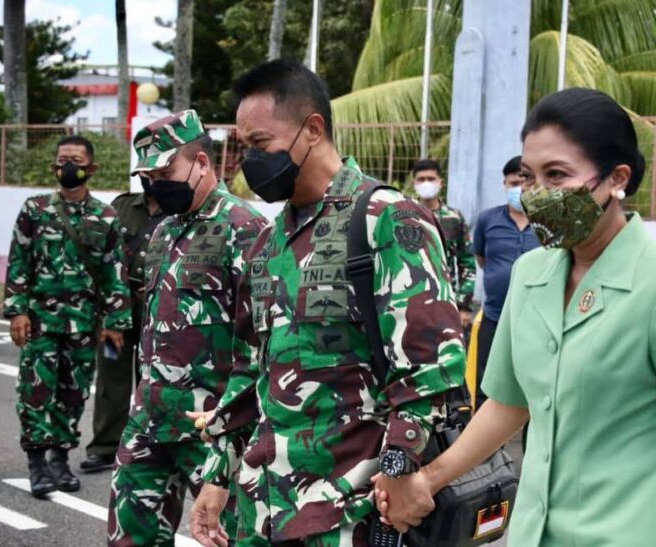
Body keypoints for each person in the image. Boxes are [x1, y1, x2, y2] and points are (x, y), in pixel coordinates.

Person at [374, 88, 656, 547]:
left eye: (557, 175)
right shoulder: (531, 274)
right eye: (529, 176)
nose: (537, 194)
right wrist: (429, 479)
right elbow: (509, 404)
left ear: (617, 178)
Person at [187, 59, 466, 546]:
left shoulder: (385, 220)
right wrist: (217, 474)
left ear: (312, 129)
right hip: (260, 509)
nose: (247, 162)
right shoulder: (268, 245)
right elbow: (249, 372)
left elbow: (429, 371)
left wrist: (400, 471)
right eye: (242, 146)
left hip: (348, 512)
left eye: (259, 145)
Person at [106, 110, 268, 546]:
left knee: (229, 537)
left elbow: (258, 347)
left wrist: (232, 432)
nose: (156, 184)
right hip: (150, 421)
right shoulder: (163, 233)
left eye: (165, 172)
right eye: (147, 176)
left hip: (211, 427)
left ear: (201, 162)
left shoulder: (247, 230)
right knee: (128, 538)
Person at [3, 135, 132, 498]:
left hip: (84, 324)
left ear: (90, 168)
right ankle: (37, 463)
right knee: (35, 390)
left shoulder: (105, 216)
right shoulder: (35, 209)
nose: (68, 166)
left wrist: (114, 322)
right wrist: (17, 310)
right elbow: (18, 261)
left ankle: (60, 457)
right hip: (41, 321)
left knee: (73, 393)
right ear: (54, 166)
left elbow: (114, 272)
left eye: (75, 160)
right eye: (62, 160)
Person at [81, 184, 168, 473]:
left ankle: (147, 448)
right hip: (115, 312)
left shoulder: (180, 207)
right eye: (144, 172)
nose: (150, 177)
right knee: (110, 376)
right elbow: (107, 254)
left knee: (152, 379)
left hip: (156, 311)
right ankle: (104, 447)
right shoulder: (123, 207)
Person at [471, 155, 539, 406]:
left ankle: (533, 445)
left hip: (536, 320)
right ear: (504, 184)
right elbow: (481, 259)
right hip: (495, 315)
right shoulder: (487, 220)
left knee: (535, 387)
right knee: (486, 383)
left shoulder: (547, 220)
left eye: (524, 182)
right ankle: (486, 446)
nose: (518, 190)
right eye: (513, 184)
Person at [411, 159, 476, 329]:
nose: (426, 183)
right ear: (414, 184)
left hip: (446, 302)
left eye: (431, 179)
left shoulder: (454, 218)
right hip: (410, 301)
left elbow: (467, 262)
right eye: (421, 179)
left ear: (441, 183)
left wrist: (463, 305)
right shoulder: (404, 216)